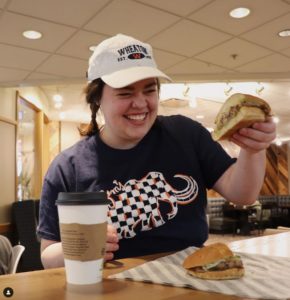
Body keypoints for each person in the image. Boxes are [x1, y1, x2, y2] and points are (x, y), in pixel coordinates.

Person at [37, 33, 276, 269]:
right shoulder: (67, 167)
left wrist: (253, 149)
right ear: (97, 97)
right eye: (125, 92)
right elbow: (48, 254)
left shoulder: (186, 134)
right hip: (111, 287)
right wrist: (81, 245)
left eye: (149, 90)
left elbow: (242, 195)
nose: (140, 103)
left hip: (190, 278)